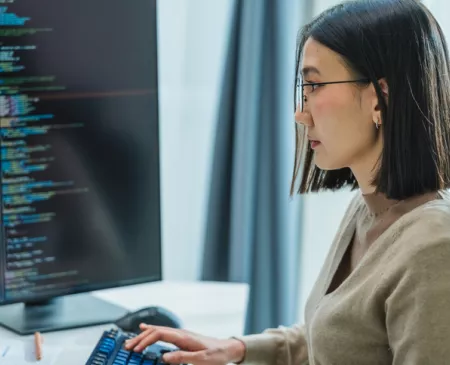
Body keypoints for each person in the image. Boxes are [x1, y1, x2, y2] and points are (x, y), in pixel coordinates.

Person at [125, 0, 450, 363]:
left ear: (380, 97)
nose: (300, 112)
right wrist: (235, 348)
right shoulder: (368, 207)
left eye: (316, 85)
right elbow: (339, 341)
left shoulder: (432, 247)